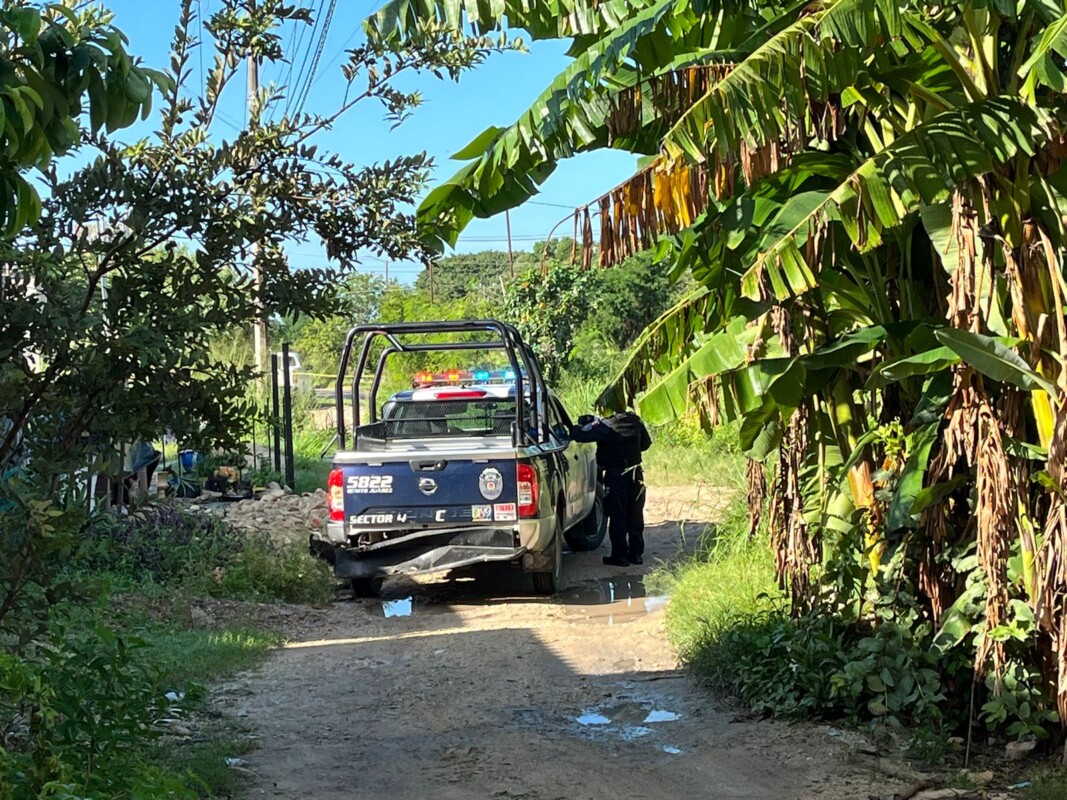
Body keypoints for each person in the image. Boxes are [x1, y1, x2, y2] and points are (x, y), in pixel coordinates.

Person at [570, 410, 652, 566]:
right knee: (635, 512)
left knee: (618, 514)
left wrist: (580, 425)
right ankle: (636, 554)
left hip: (616, 475)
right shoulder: (635, 421)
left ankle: (620, 556)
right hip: (636, 473)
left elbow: (579, 435)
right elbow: (646, 444)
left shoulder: (606, 425)